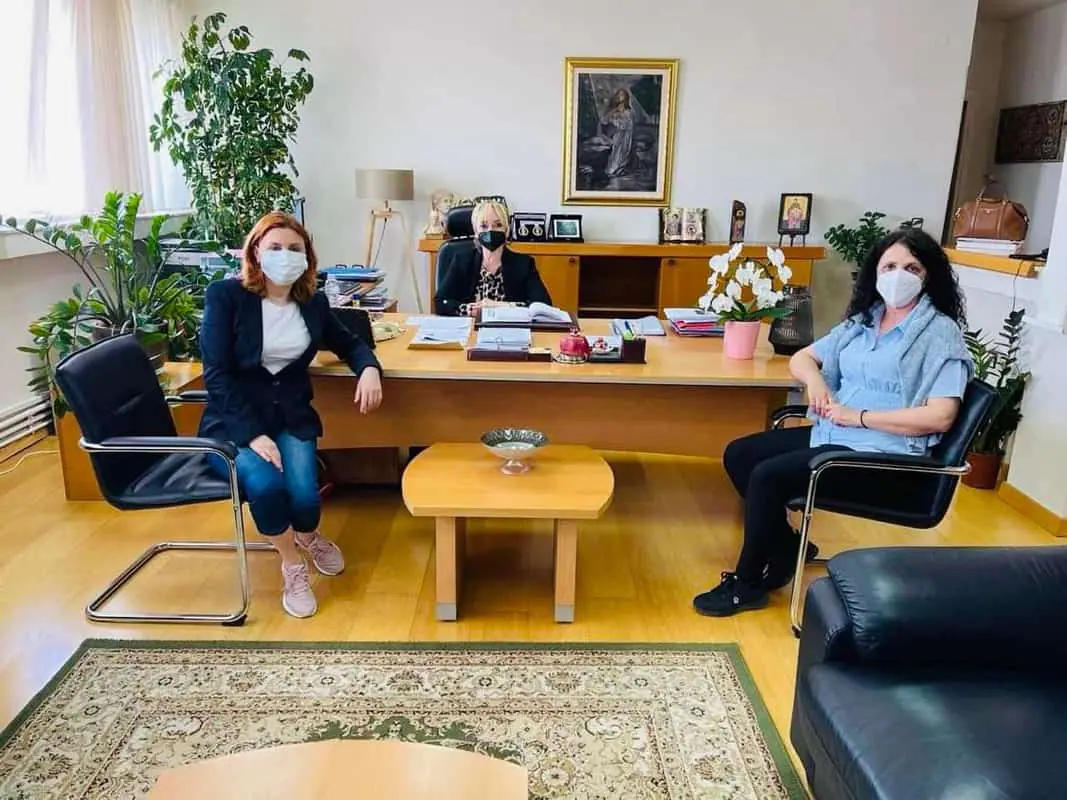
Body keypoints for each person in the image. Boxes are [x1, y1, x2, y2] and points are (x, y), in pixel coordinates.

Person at [693, 228, 972, 617]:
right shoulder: (865, 321)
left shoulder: (940, 334)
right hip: (837, 435)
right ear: (876, 272)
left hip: (885, 457)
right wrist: (817, 383)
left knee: (769, 477)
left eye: (912, 268)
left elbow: (940, 416)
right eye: (889, 266)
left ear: (929, 276)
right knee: (740, 454)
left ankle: (747, 584)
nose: (899, 276)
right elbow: (802, 357)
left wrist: (859, 416)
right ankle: (786, 546)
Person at [199, 211, 384, 619]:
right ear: (255, 253)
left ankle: (308, 535)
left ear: (307, 256)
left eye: (294, 248)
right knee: (267, 489)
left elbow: (350, 343)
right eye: (275, 247)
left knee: (304, 499)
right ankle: (291, 562)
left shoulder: (313, 303)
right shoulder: (225, 297)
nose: (285, 255)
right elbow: (216, 374)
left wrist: (369, 369)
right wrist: (252, 435)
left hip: (292, 416)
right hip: (235, 423)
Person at [433, 199, 552, 316]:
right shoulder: (462, 261)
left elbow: (543, 305)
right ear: (476, 231)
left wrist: (500, 306)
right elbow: (440, 302)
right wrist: (468, 309)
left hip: (509, 327)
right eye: (484, 226)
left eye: (498, 225)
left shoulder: (524, 264)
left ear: (506, 230)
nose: (490, 231)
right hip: (472, 326)